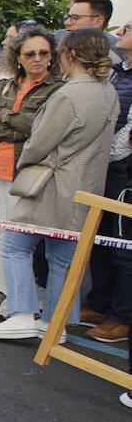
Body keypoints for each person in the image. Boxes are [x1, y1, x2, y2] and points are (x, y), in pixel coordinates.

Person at [0, 28, 120, 342]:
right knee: (63, 258)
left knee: (15, 246)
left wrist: (25, 157)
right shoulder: (107, 91)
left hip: (53, 184)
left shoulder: (70, 94)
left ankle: (22, 314)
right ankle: (55, 324)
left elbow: (39, 142)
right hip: (88, 186)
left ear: (70, 55)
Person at [0, 27, 63, 315]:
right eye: (30, 53)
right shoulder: (5, 84)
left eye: (43, 53)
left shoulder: (57, 89)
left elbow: (41, 128)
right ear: (18, 57)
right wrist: (17, 124)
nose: (37, 59)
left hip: (28, 171)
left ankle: (16, 296)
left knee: (20, 237)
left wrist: (5, 118)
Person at [81, 18, 132, 343]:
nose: (119, 33)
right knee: (99, 242)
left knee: (123, 247)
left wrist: (106, 154)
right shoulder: (119, 71)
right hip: (105, 169)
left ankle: (121, 317)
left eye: (127, 29)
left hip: (124, 171)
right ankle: (100, 304)